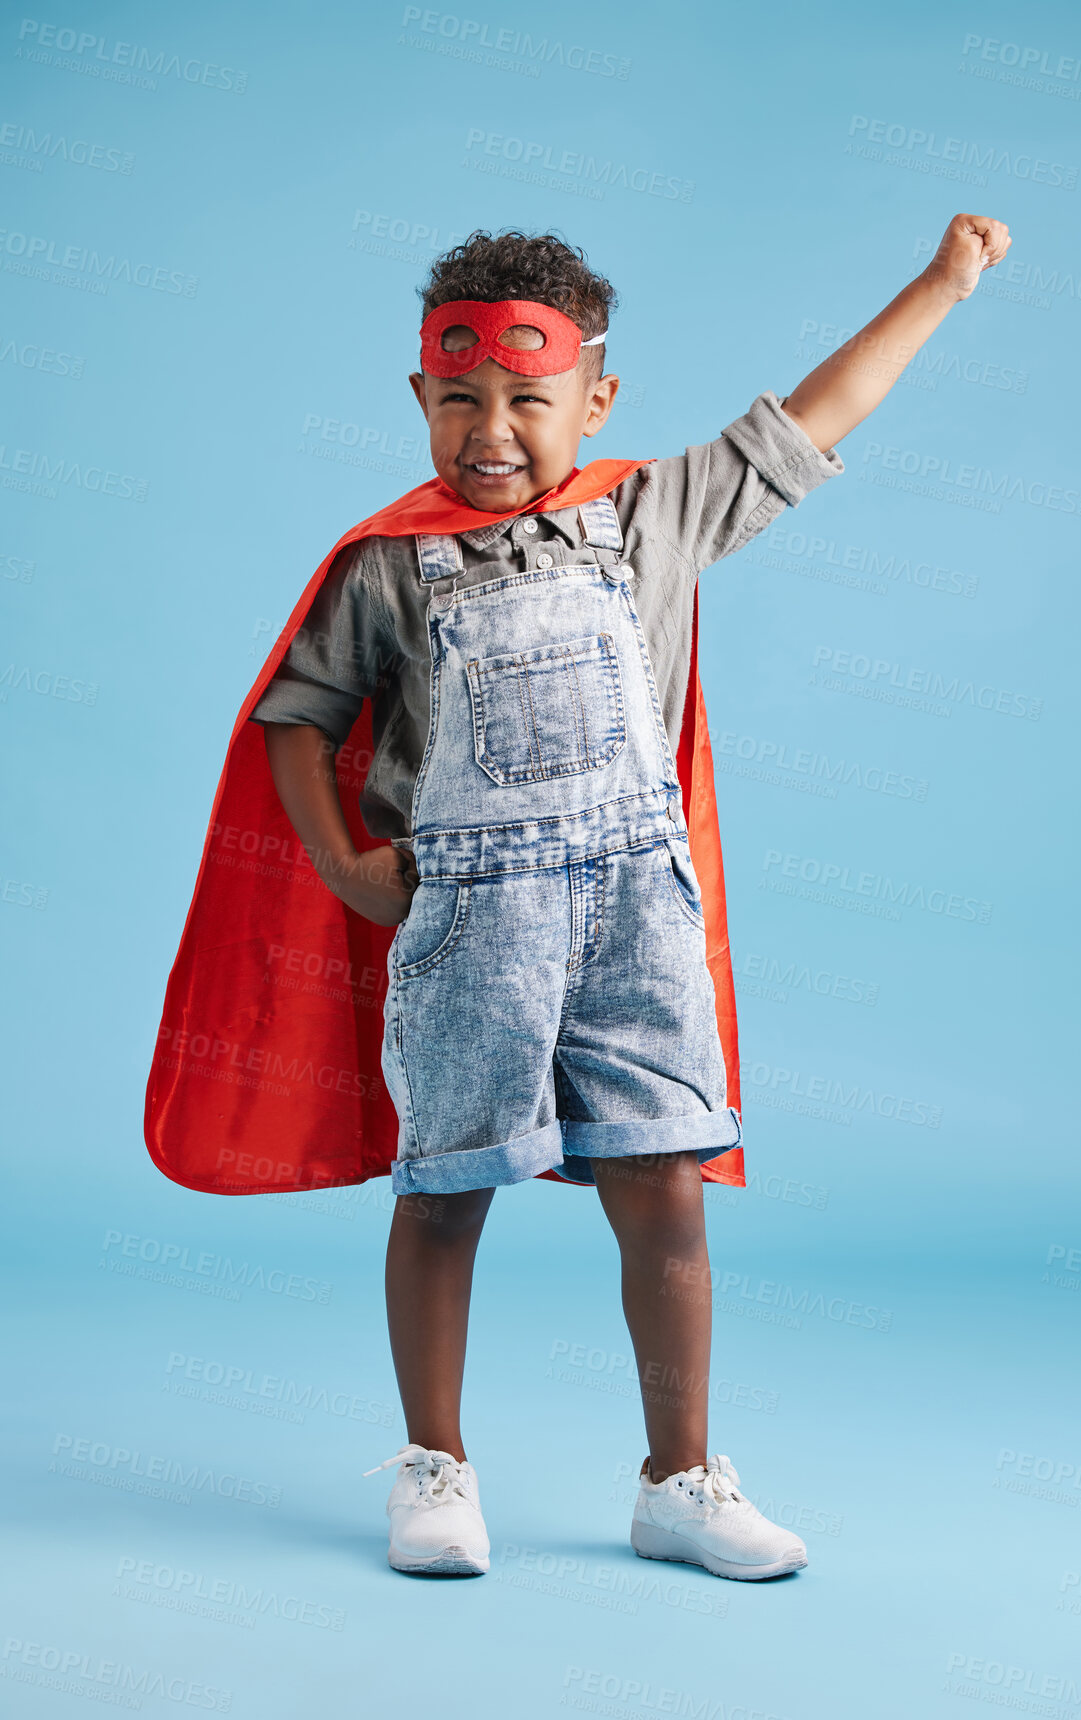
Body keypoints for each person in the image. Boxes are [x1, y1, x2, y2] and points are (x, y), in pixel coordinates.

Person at [155, 214, 1011, 1581]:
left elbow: (813, 417)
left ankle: (679, 1481)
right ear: (420, 398)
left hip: (637, 919)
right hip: (468, 930)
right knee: (445, 1186)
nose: (490, 431)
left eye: (526, 399)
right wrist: (338, 860)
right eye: (459, 400)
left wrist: (941, 284)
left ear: (595, 400)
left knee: (664, 1183)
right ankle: (434, 1468)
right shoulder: (385, 564)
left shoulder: (655, 511)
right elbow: (297, 717)